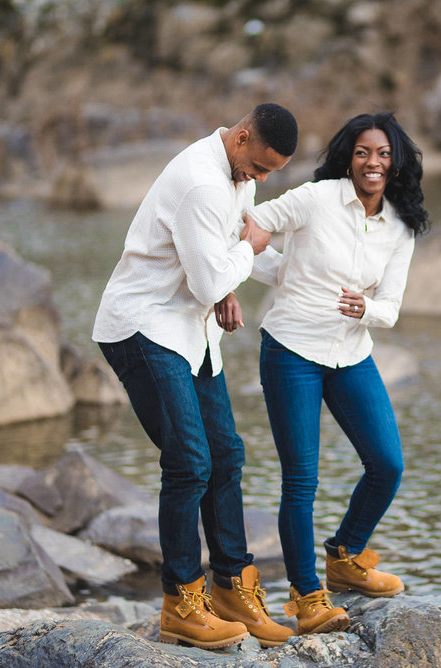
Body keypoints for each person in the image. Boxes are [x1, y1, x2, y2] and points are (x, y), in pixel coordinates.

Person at [92, 103, 299, 650]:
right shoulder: (201, 181)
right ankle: (181, 602)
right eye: (259, 168)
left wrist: (256, 279)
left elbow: (221, 256)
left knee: (225, 454)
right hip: (142, 327)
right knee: (189, 461)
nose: (260, 180)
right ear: (242, 137)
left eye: (270, 173)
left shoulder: (236, 174)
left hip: (189, 331)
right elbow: (219, 266)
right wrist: (237, 264)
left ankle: (232, 588)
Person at [217, 112, 430, 635]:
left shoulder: (401, 226)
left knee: (387, 464)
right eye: (362, 153)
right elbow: (252, 226)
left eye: (382, 154)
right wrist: (246, 279)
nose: (372, 163)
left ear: (396, 162)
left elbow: (392, 307)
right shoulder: (317, 198)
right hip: (291, 350)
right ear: (348, 158)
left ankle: (346, 556)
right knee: (301, 481)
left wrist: (367, 311)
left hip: (352, 353)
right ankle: (307, 596)